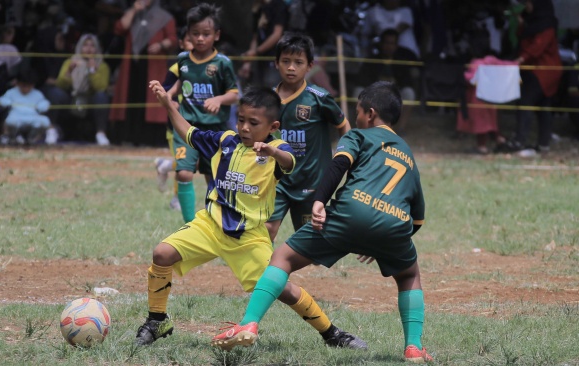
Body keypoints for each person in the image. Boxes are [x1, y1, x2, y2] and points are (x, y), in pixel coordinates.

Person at [212, 81, 433, 363]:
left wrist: (319, 201)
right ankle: (413, 347)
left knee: (282, 257)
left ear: (371, 114)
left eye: (358, 111)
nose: (356, 118)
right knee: (409, 275)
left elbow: (338, 164)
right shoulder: (408, 154)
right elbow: (418, 217)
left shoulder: (360, 136)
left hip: (349, 213)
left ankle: (249, 323)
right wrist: (384, 240)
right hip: (395, 225)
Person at [139, 81, 365, 351]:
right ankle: (157, 321)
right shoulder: (224, 141)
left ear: (273, 127)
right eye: (241, 119)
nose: (244, 127)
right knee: (162, 253)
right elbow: (189, 131)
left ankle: (332, 333)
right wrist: (167, 105)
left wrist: (272, 151)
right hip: (210, 225)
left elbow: (289, 162)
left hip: (249, 237)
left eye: (253, 123)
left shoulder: (278, 150)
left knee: (282, 288)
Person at [265, 33, 351, 243]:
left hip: (311, 181)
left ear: (310, 65)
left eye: (298, 62)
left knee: (308, 242)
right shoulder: (267, 100)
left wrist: (346, 155)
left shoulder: (319, 98)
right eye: (285, 61)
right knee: (267, 229)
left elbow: (344, 126)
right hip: (277, 179)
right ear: (276, 64)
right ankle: (265, 274)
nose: (291, 67)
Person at [168, 3, 239, 223]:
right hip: (187, 127)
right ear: (188, 34)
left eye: (205, 34)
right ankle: (189, 225)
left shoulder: (222, 63)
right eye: (195, 34)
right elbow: (182, 80)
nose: (200, 39)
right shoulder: (183, 59)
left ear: (216, 35)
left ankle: (215, 223)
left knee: (215, 178)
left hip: (215, 130)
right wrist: (169, 95)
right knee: (184, 173)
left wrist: (219, 99)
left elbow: (234, 94)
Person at [108, 0, 177, 146]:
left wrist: (161, 44)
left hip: (153, 66)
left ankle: (149, 139)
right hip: (132, 66)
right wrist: (133, 10)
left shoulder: (164, 17)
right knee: (129, 99)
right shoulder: (134, 14)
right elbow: (120, 28)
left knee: (151, 101)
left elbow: (173, 39)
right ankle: (127, 138)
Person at [507, 0, 562, 157]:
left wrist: (520, 59)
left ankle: (520, 141)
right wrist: (521, 23)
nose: (527, 6)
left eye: (529, 3)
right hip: (538, 68)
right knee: (543, 105)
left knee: (525, 101)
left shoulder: (546, 25)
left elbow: (537, 47)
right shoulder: (533, 22)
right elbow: (522, 38)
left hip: (543, 70)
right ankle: (543, 144)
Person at [48, 33, 111, 145]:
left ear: (97, 48)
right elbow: (60, 85)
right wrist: (69, 71)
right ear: (80, 47)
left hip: (90, 100)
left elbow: (101, 87)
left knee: (102, 97)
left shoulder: (102, 65)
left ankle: (101, 134)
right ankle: (51, 130)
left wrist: (92, 71)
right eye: (85, 45)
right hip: (72, 97)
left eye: (92, 46)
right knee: (55, 93)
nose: (88, 49)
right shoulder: (69, 61)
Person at [156, 26, 193, 211]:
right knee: (183, 163)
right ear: (181, 43)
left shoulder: (207, 67)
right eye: (189, 40)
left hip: (198, 125)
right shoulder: (176, 68)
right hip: (176, 127)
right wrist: (172, 103)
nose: (195, 44)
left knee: (195, 161)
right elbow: (165, 94)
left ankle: (164, 165)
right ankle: (176, 199)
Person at [356, 28, 418, 131]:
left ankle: (399, 130)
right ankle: (364, 129)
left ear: (396, 45)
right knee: (357, 91)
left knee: (409, 93)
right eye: (386, 43)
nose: (389, 46)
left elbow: (407, 83)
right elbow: (362, 80)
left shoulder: (401, 62)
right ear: (381, 44)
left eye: (392, 43)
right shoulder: (371, 60)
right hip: (373, 96)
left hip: (394, 96)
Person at [238, 0, 288, 87]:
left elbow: (277, 34)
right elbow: (256, 37)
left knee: (272, 90)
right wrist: (248, 61)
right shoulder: (258, 8)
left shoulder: (278, 5)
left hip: (276, 58)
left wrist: (256, 52)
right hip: (261, 61)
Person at [0, 69, 51, 145]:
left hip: (33, 116)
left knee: (45, 121)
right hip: (16, 116)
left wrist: (43, 105)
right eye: (23, 85)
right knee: (10, 121)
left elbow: (43, 102)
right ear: (18, 83)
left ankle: (32, 138)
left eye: (29, 86)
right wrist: (5, 102)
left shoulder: (37, 93)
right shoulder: (11, 92)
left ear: (33, 85)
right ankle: (13, 137)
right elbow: (2, 100)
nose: (26, 88)